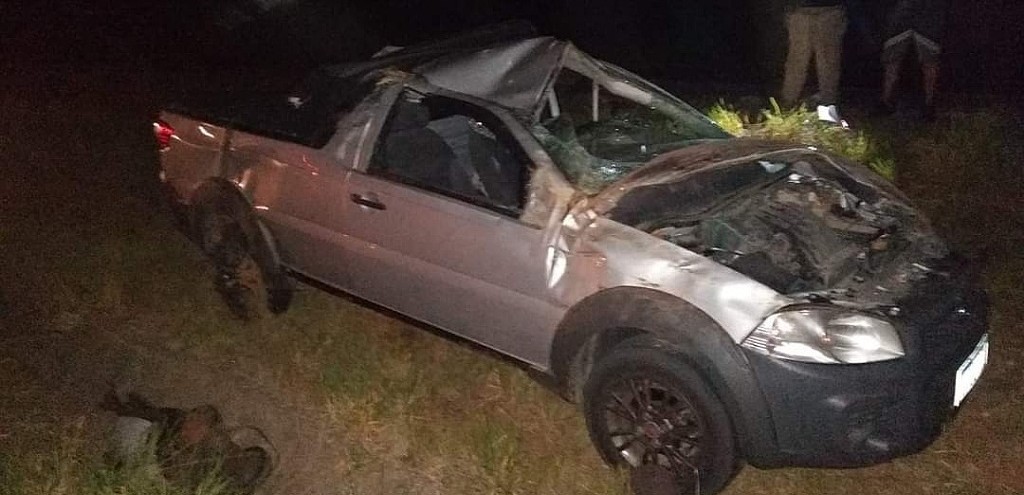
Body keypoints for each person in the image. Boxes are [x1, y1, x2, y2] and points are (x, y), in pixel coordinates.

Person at [878, 0, 949, 119]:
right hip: (903, 12)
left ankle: (929, 105)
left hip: (927, 12)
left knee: (929, 61)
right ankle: (886, 101)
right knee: (893, 59)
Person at [780, 0, 848, 108]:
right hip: (803, 10)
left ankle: (829, 105)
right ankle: (789, 102)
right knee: (799, 61)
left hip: (828, 10)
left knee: (826, 62)